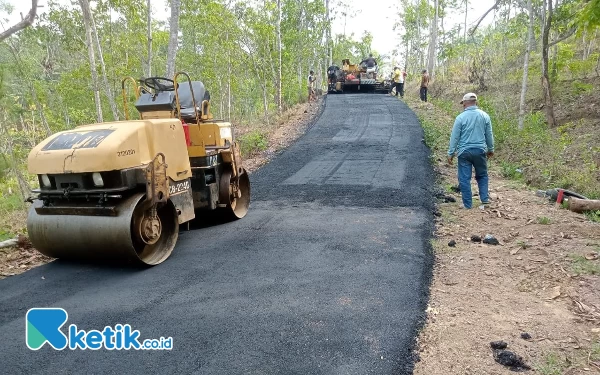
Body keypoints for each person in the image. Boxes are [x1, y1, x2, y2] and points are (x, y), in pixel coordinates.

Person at [447, 93, 495, 209]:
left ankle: (467, 204)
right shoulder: (485, 116)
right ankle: (484, 200)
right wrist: (491, 149)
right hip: (480, 151)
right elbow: (489, 135)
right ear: (475, 102)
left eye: (463, 103)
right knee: (482, 175)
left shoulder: (460, 118)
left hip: (464, 152)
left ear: (465, 103)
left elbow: (455, 137)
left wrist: (451, 153)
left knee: (464, 178)